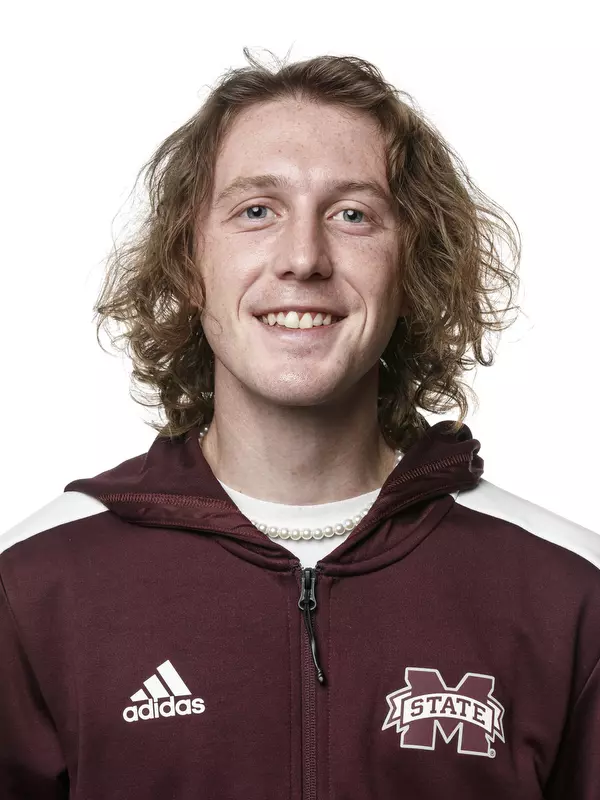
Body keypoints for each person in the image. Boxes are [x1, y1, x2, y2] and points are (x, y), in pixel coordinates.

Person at [1, 49, 599, 800]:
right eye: (257, 211)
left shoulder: (568, 590)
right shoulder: (35, 584)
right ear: (192, 262)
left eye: (352, 214)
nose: (304, 258)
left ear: (410, 264)